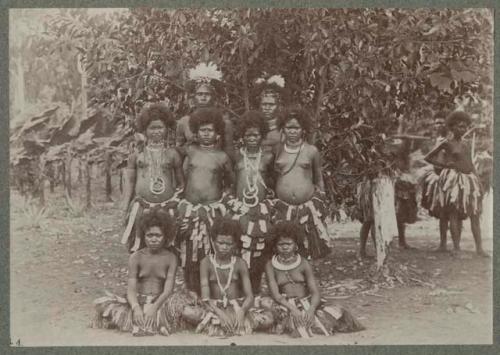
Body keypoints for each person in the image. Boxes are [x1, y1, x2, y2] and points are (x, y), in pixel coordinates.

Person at [264, 221, 364, 337]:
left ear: (296, 245)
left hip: (306, 302)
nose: (285, 247)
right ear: (275, 246)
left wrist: (311, 309)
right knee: (267, 315)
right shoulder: (270, 265)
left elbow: (315, 291)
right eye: (281, 244)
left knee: (335, 311)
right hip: (284, 304)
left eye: (289, 244)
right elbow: (276, 295)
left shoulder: (303, 263)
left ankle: (308, 320)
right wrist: (293, 309)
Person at [180, 217, 274, 336]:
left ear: (235, 244)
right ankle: (221, 322)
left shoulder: (240, 263)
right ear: (213, 241)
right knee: (187, 312)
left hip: (237, 306)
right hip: (213, 308)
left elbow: (249, 295)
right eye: (220, 243)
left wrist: (242, 312)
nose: (224, 247)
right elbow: (205, 297)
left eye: (229, 244)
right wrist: (220, 314)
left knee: (269, 319)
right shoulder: (206, 262)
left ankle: (227, 324)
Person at [175, 108, 235, 294]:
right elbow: (183, 176)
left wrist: (224, 203)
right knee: (189, 248)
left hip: (212, 210)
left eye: (210, 130)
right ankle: (190, 289)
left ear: (218, 133)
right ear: (196, 132)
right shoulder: (190, 152)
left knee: (209, 248)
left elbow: (231, 182)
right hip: (190, 209)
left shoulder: (222, 157)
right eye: (202, 130)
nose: (206, 134)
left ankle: (210, 289)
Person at [92, 210, 178, 336]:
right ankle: (153, 325)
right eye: (149, 235)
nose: (153, 239)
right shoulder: (136, 257)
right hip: (138, 301)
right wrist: (135, 308)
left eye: (158, 235)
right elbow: (131, 289)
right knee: (103, 307)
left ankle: (152, 323)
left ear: (165, 236)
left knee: (187, 311)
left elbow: (168, 290)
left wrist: (154, 308)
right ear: (143, 236)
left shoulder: (171, 258)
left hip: (160, 302)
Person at [120, 103, 184, 252]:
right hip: (142, 207)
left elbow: (181, 184)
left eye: (160, 128)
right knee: (139, 246)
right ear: (144, 130)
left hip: (166, 208)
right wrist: (125, 205)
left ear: (167, 129)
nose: (156, 132)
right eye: (152, 128)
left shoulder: (172, 154)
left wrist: (175, 203)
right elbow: (130, 181)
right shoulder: (137, 154)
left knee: (167, 247)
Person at [425, 111, 488, 257]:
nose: (463, 129)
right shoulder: (446, 143)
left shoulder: (466, 144)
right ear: (452, 127)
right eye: (460, 127)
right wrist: (445, 165)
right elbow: (428, 157)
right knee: (453, 213)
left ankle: (479, 249)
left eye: (465, 127)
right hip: (453, 181)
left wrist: (478, 181)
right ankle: (456, 248)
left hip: (469, 179)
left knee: (475, 213)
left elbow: (471, 164)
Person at [273, 106, 331, 259]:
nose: (292, 132)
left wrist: (322, 200)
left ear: (303, 129)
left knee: (307, 244)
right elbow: (271, 177)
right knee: (284, 244)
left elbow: (318, 178)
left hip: (306, 207)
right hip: (282, 208)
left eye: (296, 128)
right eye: (289, 128)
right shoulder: (277, 150)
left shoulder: (311, 151)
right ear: (283, 129)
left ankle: (304, 274)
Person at [227, 110, 276, 294]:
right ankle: (238, 289)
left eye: (256, 134)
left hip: (260, 210)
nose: (252, 138)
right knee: (239, 247)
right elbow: (231, 182)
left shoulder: (268, 157)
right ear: (242, 136)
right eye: (248, 135)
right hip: (240, 208)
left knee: (258, 250)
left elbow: (272, 184)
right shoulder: (237, 156)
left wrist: (267, 207)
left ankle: (254, 290)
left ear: (262, 135)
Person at [176, 62, 235, 160]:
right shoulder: (184, 122)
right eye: (199, 94)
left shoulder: (225, 123)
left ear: (214, 98)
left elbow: (229, 154)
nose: (203, 98)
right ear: (194, 98)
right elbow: (177, 153)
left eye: (207, 94)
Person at [420, 111, 451, 251]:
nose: (438, 125)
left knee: (453, 211)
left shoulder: (450, 138)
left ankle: (455, 245)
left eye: (441, 122)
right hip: (438, 177)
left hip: (450, 177)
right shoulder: (438, 139)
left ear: (446, 124)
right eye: (436, 123)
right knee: (442, 212)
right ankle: (443, 244)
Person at [254, 75, 285, 152]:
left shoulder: (284, 128)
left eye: (271, 105)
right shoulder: (254, 126)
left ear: (279, 106)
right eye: (264, 104)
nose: (267, 108)